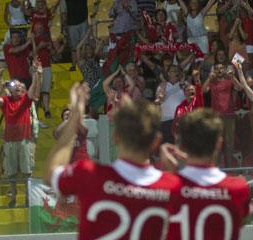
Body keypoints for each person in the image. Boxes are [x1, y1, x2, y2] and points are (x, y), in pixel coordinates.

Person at [44, 83, 181, 239]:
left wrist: (76, 115)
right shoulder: (173, 187)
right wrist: (172, 173)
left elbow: (50, 174)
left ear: (115, 136)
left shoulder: (89, 174)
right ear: (156, 141)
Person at [160, 109, 251, 240]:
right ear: (219, 144)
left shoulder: (165, 188)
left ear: (182, 145)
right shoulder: (239, 188)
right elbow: (241, 221)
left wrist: (170, 173)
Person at [0, 60, 41, 207]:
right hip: (9, 140)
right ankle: (13, 197)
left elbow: (33, 91)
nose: (18, 88)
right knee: (11, 171)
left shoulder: (25, 101)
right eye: (16, 86)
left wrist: (35, 75)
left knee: (27, 171)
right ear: (11, 90)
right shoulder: (7, 101)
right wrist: (1, 85)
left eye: (21, 87)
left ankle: (28, 198)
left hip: (24, 139)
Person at [32, 23, 54, 119]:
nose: (40, 30)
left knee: (45, 90)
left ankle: (47, 110)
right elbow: (31, 54)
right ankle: (35, 112)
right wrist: (39, 46)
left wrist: (49, 47)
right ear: (34, 29)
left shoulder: (47, 39)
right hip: (36, 67)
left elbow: (53, 52)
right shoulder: (31, 41)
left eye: (41, 28)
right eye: (38, 28)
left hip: (47, 66)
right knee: (37, 91)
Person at [60, 0, 89, 72]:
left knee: (84, 45)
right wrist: (64, 27)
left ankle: (84, 64)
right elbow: (63, 13)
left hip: (83, 21)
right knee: (73, 46)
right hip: (71, 24)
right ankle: (74, 65)